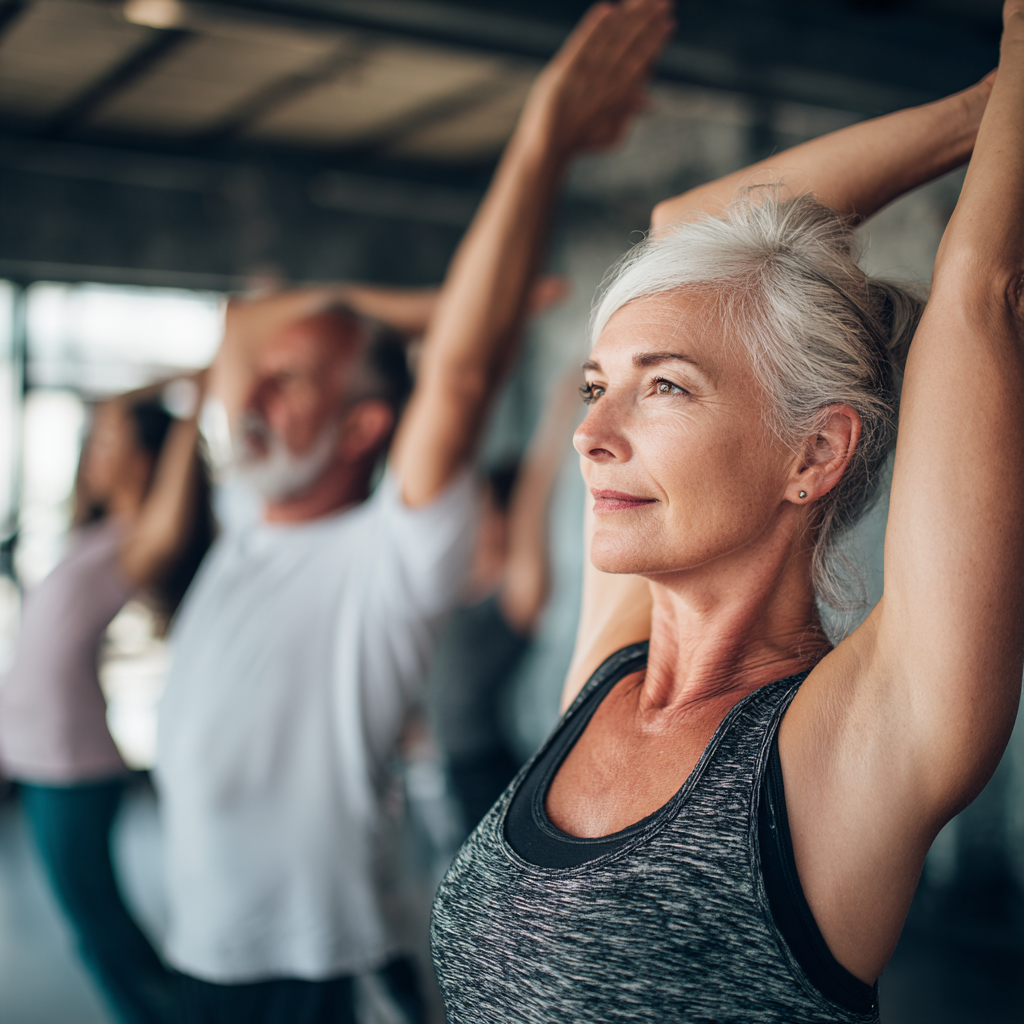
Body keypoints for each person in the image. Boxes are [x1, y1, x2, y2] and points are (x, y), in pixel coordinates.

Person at [430, 5, 1024, 1021]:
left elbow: (978, 290)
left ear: (815, 452)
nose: (590, 431)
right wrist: (973, 110)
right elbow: (684, 235)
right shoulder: (611, 669)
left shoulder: (852, 744)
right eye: (593, 385)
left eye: (663, 387)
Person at [153, 2, 673, 1022]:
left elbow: (467, 371)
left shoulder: (389, 550)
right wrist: (418, 306)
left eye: (292, 384)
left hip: (310, 964)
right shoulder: (250, 513)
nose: (251, 394)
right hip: (204, 944)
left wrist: (541, 136)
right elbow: (242, 324)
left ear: (363, 428)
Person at [0, 382, 213, 1024]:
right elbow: (114, 408)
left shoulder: (137, 540)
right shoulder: (89, 534)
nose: (96, 450)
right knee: (94, 931)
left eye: (112, 444)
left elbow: (170, 509)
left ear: (147, 463)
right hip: (39, 759)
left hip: (71, 766)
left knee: (100, 934)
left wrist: (192, 410)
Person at [430, 371, 582, 835]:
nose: (470, 518)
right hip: (446, 771)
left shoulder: (516, 594)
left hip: (488, 776)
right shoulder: (465, 584)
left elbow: (532, 496)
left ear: (504, 519)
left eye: (483, 509)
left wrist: (560, 413)